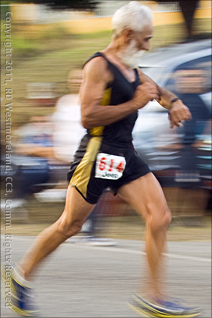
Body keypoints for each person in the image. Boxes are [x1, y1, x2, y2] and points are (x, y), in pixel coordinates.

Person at [2, 2, 200, 317]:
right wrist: (135, 102)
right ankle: (20, 274)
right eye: (145, 39)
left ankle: (154, 296)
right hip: (97, 154)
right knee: (70, 224)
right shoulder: (99, 65)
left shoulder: (131, 66)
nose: (148, 46)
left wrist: (173, 102)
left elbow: (155, 89)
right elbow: (87, 116)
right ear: (126, 34)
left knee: (160, 217)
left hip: (125, 154)